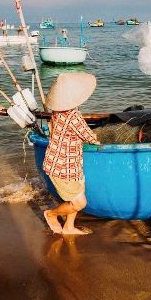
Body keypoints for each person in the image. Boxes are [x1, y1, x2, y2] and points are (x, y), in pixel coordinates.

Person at [42, 72, 100, 236]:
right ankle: (51, 214)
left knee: (76, 194)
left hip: (69, 163)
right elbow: (90, 138)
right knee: (79, 203)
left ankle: (68, 227)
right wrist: (95, 139)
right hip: (63, 166)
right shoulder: (73, 116)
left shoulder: (57, 111)